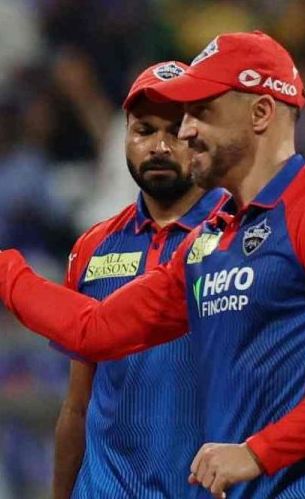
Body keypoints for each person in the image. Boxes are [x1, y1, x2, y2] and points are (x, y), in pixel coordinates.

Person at [0, 31, 305, 498]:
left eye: (201, 112)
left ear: (261, 113)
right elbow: (97, 328)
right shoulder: (210, 241)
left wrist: (257, 452)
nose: (186, 132)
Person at [53, 61, 228, 499]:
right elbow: (77, 406)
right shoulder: (92, 248)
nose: (160, 146)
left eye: (176, 130)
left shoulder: (245, 235)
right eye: (144, 130)